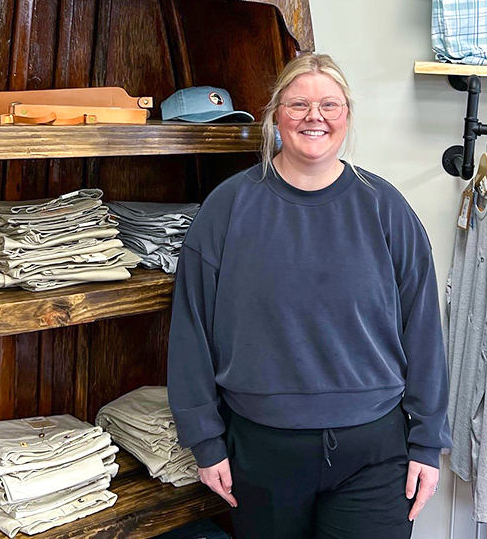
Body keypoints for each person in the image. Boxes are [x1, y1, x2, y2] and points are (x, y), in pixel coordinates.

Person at [167, 52, 452, 538]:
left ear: (347, 116)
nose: (314, 117)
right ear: (276, 114)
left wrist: (427, 443)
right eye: (298, 104)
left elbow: (424, 329)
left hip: (375, 455)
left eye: (330, 105)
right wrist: (205, 440)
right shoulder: (228, 207)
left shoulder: (385, 208)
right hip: (260, 452)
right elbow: (191, 327)